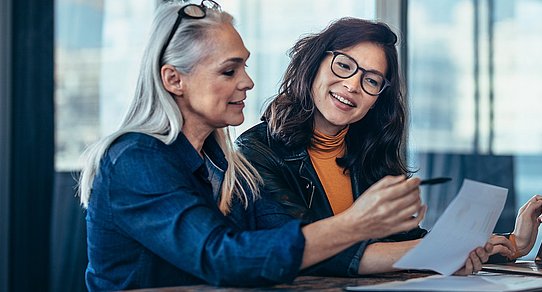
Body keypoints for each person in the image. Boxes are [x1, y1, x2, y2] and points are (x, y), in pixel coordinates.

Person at [78, 2, 429, 290]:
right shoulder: (135, 159)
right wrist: (355, 223)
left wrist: (440, 250)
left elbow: (281, 243)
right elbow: (222, 258)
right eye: (229, 71)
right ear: (174, 80)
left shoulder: (226, 165)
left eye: (244, 67)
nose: (248, 82)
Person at [235, 17, 542, 276]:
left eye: (371, 80)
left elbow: (406, 242)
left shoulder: (369, 153)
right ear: (314, 64)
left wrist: (512, 243)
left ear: (377, 99)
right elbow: (305, 251)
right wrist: (438, 253)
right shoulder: (256, 152)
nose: (352, 85)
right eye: (344, 65)